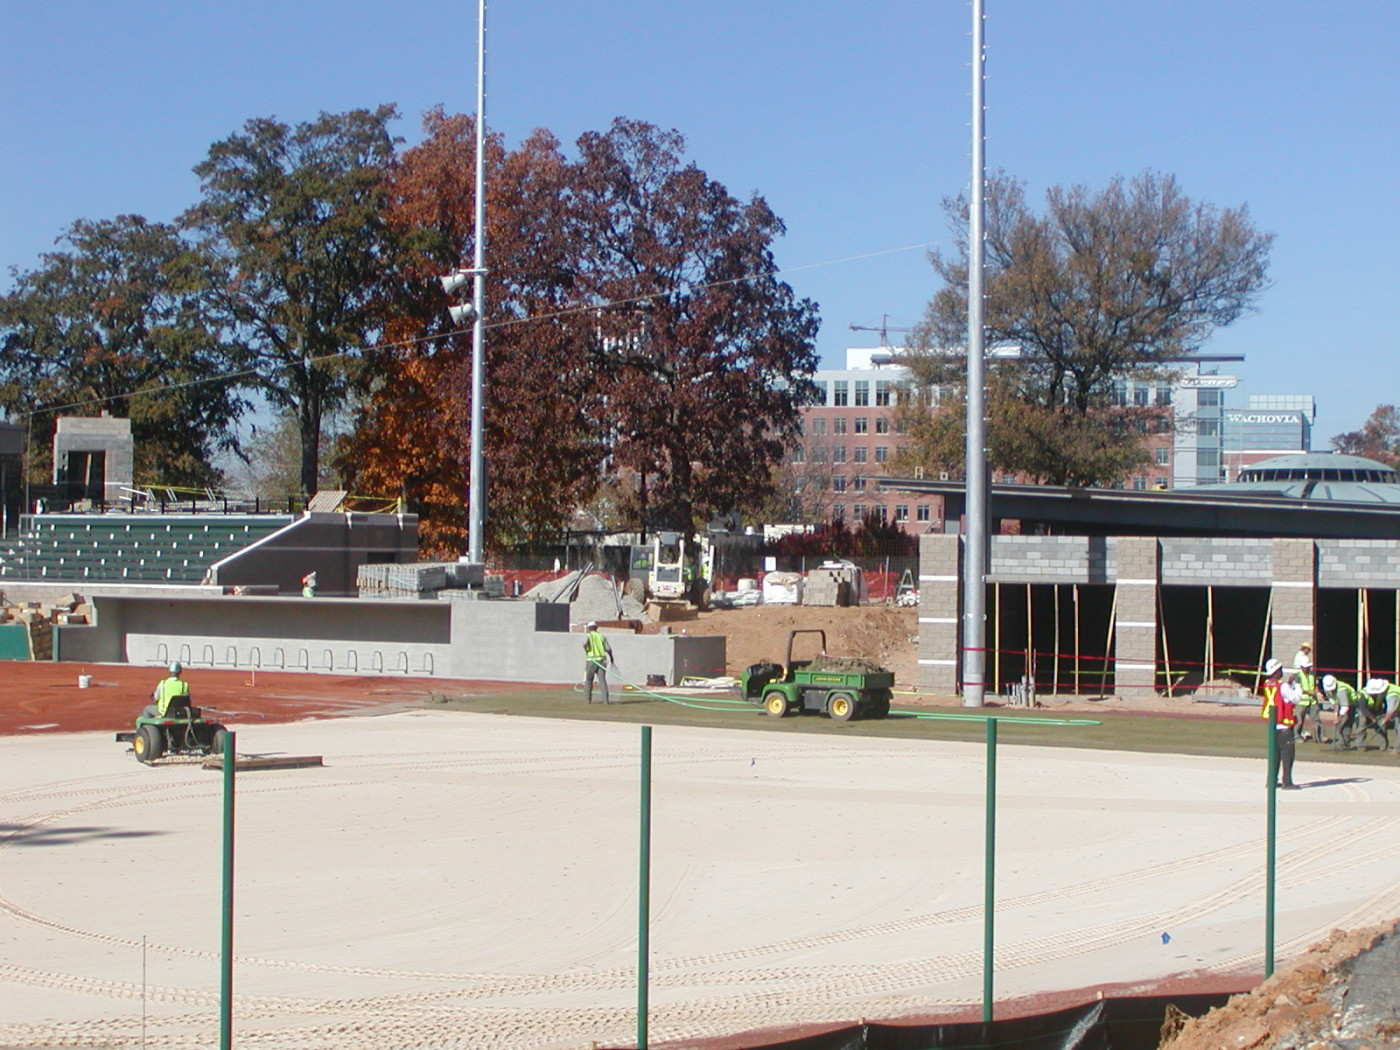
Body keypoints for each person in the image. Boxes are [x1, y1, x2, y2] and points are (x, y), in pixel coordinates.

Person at [1259, 658, 1298, 789]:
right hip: (1284, 724)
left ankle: (1271, 780)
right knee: (1287, 755)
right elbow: (1296, 698)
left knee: (1274, 755)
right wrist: (1297, 685)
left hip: (1272, 724)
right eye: (1280, 669)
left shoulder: (1267, 684)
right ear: (1276, 671)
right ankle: (1287, 782)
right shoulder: (1283, 686)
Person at [1291, 643, 1325, 742]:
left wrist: (1317, 693)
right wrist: (1310, 692)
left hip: (1312, 701)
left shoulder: (1312, 674)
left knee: (1316, 719)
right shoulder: (1297, 676)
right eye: (1306, 667)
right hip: (1302, 701)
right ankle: (1296, 736)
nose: (1308, 668)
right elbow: (1299, 689)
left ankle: (1321, 736)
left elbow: (1315, 685)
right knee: (1299, 720)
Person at [1320, 674, 1360, 746]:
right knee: (1339, 724)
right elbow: (1332, 700)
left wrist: (1339, 718)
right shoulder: (1327, 688)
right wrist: (1335, 712)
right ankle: (1342, 741)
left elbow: (1345, 707)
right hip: (1341, 704)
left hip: (1351, 703)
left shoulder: (1341, 690)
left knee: (1346, 723)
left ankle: (1344, 743)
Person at [582, 621, 614, 705]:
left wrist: (586, 649)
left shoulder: (589, 636)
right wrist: (612, 658)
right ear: (596, 628)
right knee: (602, 681)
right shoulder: (601, 636)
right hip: (601, 661)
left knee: (589, 680)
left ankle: (587, 700)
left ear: (589, 628)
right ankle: (605, 700)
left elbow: (584, 644)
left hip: (591, 661)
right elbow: (608, 649)